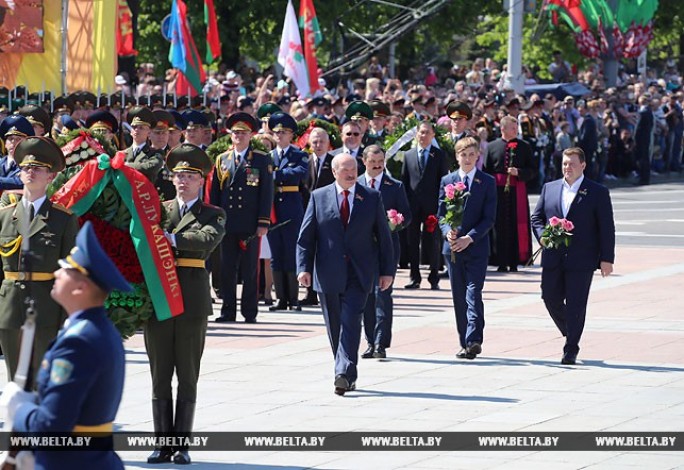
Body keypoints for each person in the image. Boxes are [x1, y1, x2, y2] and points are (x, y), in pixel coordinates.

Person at [1, 221, 132, 470]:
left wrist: (19, 409)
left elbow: (51, 425)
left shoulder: (78, 341)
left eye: (64, 269)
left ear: (81, 286)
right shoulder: (96, 329)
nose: (56, 273)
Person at [146, 144, 226, 464]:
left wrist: (173, 239)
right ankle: (162, 443)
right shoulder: (159, 210)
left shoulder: (213, 213)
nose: (182, 181)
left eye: (189, 176)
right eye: (178, 175)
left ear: (201, 180)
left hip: (191, 300)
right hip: (159, 300)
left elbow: (206, 240)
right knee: (159, 374)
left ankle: (182, 444)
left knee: (188, 375)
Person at [297, 153, 395, 396]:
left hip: (359, 273)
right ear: (334, 171)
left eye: (354, 168)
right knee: (335, 326)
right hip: (328, 273)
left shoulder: (371, 197)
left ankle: (344, 373)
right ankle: (343, 369)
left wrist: (386, 271)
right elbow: (306, 238)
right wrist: (303, 268)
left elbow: (384, 238)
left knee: (351, 322)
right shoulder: (319, 197)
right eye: (345, 169)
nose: (352, 173)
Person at [0, 136, 80, 381]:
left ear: (51, 177)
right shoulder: (4, 216)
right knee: (15, 379)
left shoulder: (63, 219)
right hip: (10, 306)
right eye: (25, 168)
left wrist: (69, 318)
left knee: (41, 379)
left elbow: (71, 272)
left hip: (46, 308)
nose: (30, 172)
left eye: (38, 169)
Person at [531, 147, 615, 365]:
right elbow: (537, 218)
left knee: (577, 303)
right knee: (550, 297)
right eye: (565, 164)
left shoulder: (597, 192)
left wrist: (607, 258)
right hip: (553, 256)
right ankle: (571, 330)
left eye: (572, 164)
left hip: (582, 258)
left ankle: (571, 348)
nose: (568, 168)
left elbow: (606, 227)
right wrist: (542, 237)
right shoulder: (549, 188)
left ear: (583, 165)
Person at [210, 113, 273, 323]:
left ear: (250, 135)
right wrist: (215, 221)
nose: (239, 136)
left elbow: (266, 193)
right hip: (228, 223)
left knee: (250, 270)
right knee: (227, 269)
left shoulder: (261, 159)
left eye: (243, 133)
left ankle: (249, 312)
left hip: (250, 223)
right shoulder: (222, 159)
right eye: (236, 133)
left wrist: (263, 222)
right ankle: (228, 311)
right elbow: (216, 193)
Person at [438, 137, 496, 360]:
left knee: (473, 292)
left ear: (478, 156)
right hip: (452, 247)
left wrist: (469, 238)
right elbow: (442, 213)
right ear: (457, 156)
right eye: (464, 154)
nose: (468, 158)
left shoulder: (486, 182)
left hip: (476, 247)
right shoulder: (448, 180)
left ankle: (474, 338)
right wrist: (447, 232)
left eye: (472, 154)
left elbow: (488, 218)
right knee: (458, 295)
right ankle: (465, 342)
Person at [358, 145, 411, 359]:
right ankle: (370, 341)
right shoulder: (356, 184)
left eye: (381, 161)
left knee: (383, 294)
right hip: (362, 250)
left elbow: (407, 215)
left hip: (387, 248)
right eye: (373, 162)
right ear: (364, 162)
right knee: (367, 297)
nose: (377, 165)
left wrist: (396, 222)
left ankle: (381, 343)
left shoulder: (394, 186)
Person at [401, 121, 449, 290]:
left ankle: (434, 276)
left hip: (432, 207)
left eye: (427, 132)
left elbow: (443, 182)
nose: (423, 135)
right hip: (413, 207)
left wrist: (440, 206)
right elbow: (404, 182)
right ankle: (415, 277)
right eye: (421, 132)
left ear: (433, 135)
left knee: (433, 242)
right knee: (412, 242)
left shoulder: (439, 155)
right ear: (416, 134)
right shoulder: (408, 155)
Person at [268, 112, 308, 312]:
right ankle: (280, 298)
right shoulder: (268, 157)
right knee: (276, 253)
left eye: (284, 132)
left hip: (292, 207)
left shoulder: (299, 154)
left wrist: (276, 175)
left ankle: (293, 298)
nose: (280, 135)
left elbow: (300, 173)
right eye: (276, 132)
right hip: (274, 208)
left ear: (291, 134)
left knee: (292, 251)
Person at [484, 115, 535, 272]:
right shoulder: (492, 147)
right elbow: (486, 170)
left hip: (516, 191)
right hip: (497, 191)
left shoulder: (525, 146)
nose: (516, 130)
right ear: (503, 129)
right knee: (498, 225)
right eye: (512, 128)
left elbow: (532, 170)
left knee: (515, 225)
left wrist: (519, 172)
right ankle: (499, 261)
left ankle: (514, 261)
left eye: (516, 127)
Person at [299, 127, 336, 306]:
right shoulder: (304, 162)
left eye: (322, 141)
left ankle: (324, 288)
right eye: (314, 141)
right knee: (309, 251)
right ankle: (310, 292)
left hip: (328, 214)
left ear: (328, 143)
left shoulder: (334, 162)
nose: (318, 145)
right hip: (308, 213)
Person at [123, 106, 164, 182]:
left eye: (141, 128)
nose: (136, 130)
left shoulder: (155, 153)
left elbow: (149, 167)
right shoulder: (123, 153)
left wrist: (125, 166)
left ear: (149, 132)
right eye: (134, 127)